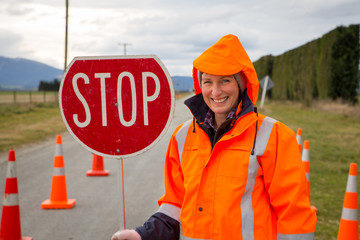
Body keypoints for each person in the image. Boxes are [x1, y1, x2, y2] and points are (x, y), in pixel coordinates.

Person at [112, 34, 317, 240]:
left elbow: (294, 216)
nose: (216, 91)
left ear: (241, 84)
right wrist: (141, 235)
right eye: (208, 81)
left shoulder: (274, 136)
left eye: (225, 81)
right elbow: (174, 205)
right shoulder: (182, 137)